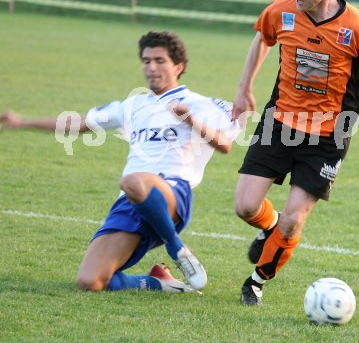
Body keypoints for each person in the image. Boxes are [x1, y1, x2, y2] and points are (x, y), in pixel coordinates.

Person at [0, 30, 240, 293]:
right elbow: (79, 123)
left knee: (132, 180)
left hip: (171, 191)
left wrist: (190, 120)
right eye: (147, 61)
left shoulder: (198, 104)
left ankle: (176, 247)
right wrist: (22, 122)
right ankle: (160, 282)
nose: (151, 67)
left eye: (160, 60)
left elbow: (224, 145)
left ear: (178, 66)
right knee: (91, 281)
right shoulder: (132, 105)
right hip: (130, 200)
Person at [232, 0, 359, 306]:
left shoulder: (357, 27)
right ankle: (269, 225)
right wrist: (243, 88)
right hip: (279, 122)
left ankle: (257, 280)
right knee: (245, 206)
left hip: (328, 134)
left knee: (294, 221)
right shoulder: (283, 10)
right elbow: (262, 37)